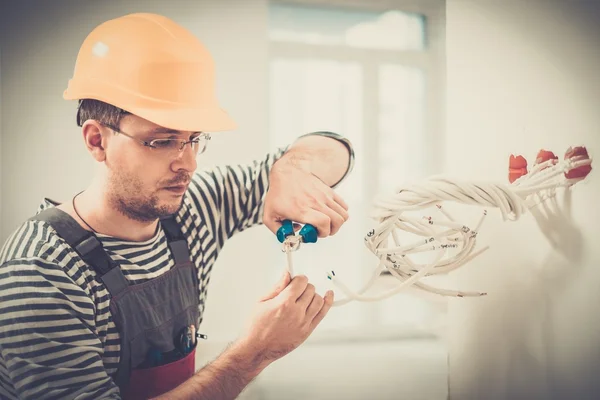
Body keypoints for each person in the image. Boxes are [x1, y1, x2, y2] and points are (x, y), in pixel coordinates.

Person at [0, 12, 354, 400]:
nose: (187, 163)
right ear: (97, 141)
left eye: (194, 139)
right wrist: (252, 353)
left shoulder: (193, 208)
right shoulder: (43, 272)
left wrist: (292, 169)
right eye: (161, 141)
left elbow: (334, 147)